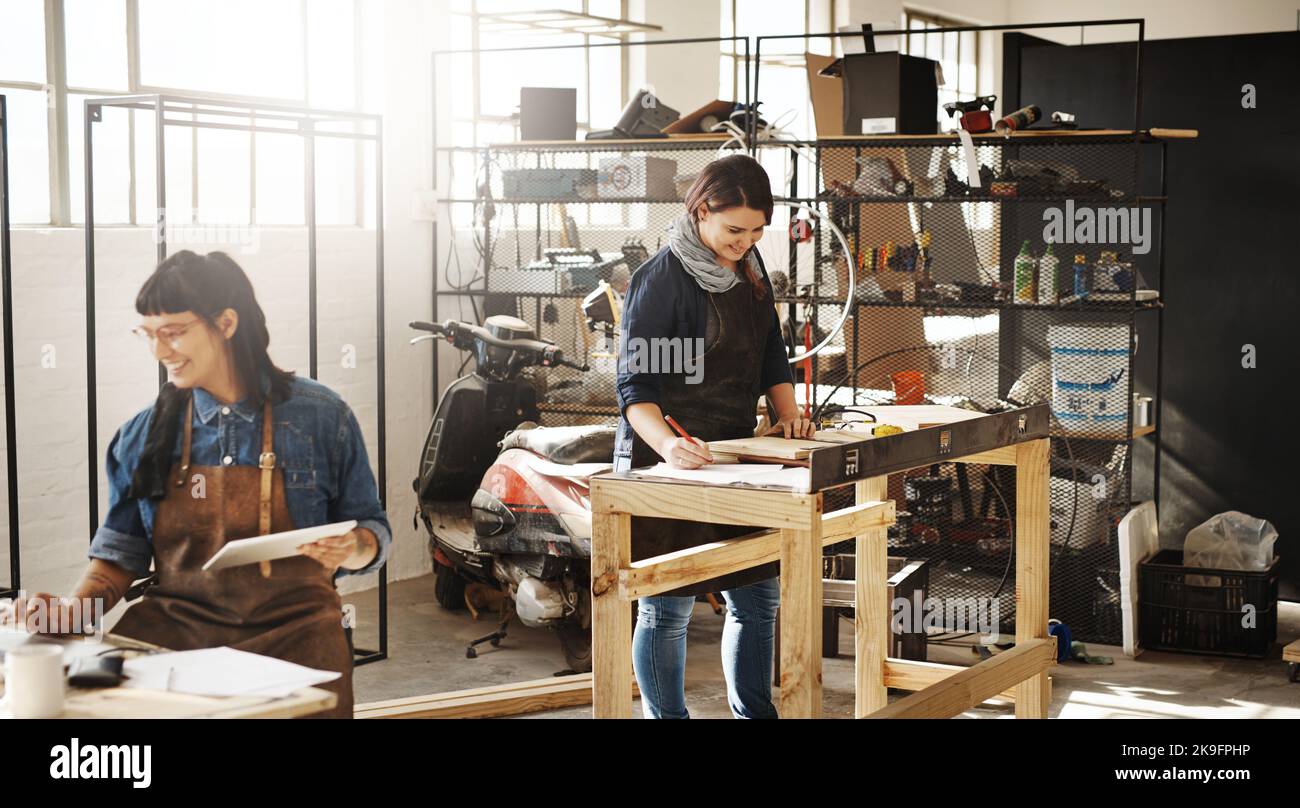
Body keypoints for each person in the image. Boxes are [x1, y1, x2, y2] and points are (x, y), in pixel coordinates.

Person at [2, 250, 389, 718]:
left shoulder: (323, 417)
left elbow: (374, 534)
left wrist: (353, 547)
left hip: (299, 638)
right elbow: (113, 566)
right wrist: (70, 612)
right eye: (149, 335)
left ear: (226, 323)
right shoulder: (143, 434)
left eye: (174, 332)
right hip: (176, 643)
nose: (160, 352)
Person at [614, 153, 814, 719]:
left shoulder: (749, 274)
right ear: (701, 212)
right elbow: (635, 390)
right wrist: (669, 446)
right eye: (733, 229)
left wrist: (788, 412)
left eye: (756, 231)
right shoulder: (660, 281)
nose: (745, 241)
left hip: (734, 456)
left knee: (756, 598)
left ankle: (756, 714)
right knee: (667, 608)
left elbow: (771, 349)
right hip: (665, 459)